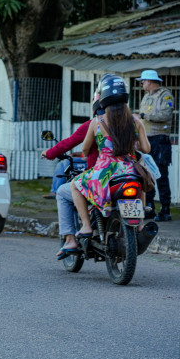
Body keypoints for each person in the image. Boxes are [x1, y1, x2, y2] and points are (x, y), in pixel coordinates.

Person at [56, 75, 150, 260]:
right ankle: (140, 223)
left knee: (75, 185)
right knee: (140, 182)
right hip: (129, 168)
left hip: (104, 172)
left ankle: (86, 226)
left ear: (102, 98)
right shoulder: (135, 121)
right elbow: (146, 149)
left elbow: (84, 150)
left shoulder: (97, 122)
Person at [41, 97, 103, 198]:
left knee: (64, 192)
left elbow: (74, 145)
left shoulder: (94, 124)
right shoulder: (129, 122)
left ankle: (55, 192)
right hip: (125, 169)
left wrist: (49, 153)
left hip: (98, 169)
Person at [138, 69, 174, 221]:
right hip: (148, 139)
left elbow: (166, 115)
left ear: (151, 81)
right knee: (148, 174)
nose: (142, 84)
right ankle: (150, 208)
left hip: (160, 139)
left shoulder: (165, 95)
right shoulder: (147, 96)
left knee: (161, 174)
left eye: (144, 81)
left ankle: (165, 210)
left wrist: (145, 116)